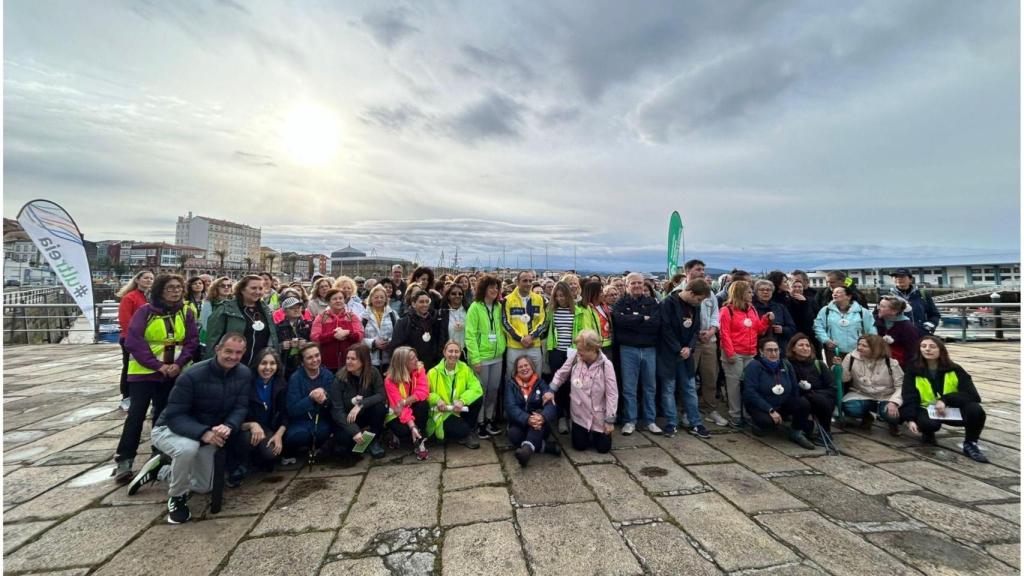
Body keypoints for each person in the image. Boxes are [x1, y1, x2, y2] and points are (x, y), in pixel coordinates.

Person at [127, 332, 250, 524]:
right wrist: (204, 433)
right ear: (217, 349)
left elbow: (240, 407)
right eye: (228, 351)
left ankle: (161, 470)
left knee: (203, 487)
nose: (233, 357)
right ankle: (177, 497)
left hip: (206, 432)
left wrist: (228, 425)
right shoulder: (192, 375)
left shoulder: (243, 373)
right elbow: (175, 415)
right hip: (170, 429)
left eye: (238, 353)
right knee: (187, 448)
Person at [114, 273, 199, 483]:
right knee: (136, 415)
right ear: (160, 290)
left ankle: (159, 454)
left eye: (179, 287)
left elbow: (191, 341)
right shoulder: (145, 312)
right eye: (170, 288)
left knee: (164, 416)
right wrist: (157, 365)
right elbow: (134, 342)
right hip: (144, 373)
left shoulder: (185, 312)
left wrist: (178, 365)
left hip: (173, 372)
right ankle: (125, 459)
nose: (176, 291)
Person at [901, 336, 989, 462]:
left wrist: (945, 400)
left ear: (941, 350)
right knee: (928, 424)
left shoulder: (955, 369)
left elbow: (973, 395)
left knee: (976, 410)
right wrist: (910, 419)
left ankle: (970, 443)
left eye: (932, 347)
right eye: (923, 346)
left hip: (951, 409)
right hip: (927, 408)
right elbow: (909, 395)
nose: (927, 350)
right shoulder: (913, 370)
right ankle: (928, 433)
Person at [657, 278, 712, 438]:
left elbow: (695, 329)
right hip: (668, 354)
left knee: (689, 388)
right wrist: (678, 348)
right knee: (668, 389)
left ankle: (696, 423)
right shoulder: (668, 303)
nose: (699, 302)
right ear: (690, 292)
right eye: (699, 298)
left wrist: (690, 347)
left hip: (687, 353)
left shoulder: (695, 306)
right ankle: (671, 422)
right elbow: (665, 329)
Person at [549, 330, 617, 453]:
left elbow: (612, 394)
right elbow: (561, 374)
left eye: (581, 349)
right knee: (579, 446)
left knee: (603, 449)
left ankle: (595, 432)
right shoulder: (575, 357)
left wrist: (609, 420)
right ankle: (582, 430)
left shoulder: (606, 365)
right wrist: (551, 390)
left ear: (592, 349)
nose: (578, 352)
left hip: (598, 415)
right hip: (579, 414)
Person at [230, 347, 288, 485]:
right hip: (244, 428)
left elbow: (285, 413)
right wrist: (251, 424)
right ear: (257, 365)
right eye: (264, 363)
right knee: (247, 438)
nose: (268, 367)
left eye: (272, 363)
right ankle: (240, 464)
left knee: (271, 452)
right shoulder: (246, 383)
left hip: (267, 427)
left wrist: (279, 434)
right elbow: (235, 414)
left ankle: (258, 460)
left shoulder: (280, 384)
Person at [742, 338, 815, 449]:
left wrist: (800, 410)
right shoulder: (754, 366)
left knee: (803, 403)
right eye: (769, 350)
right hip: (762, 406)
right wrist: (769, 409)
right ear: (761, 351)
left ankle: (795, 432)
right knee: (766, 422)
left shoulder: (785, 365)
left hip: (782, 403)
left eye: (776, 350)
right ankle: (757, 425)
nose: (773, 353)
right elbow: (750, 392)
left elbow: (794, 388)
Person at [719, 280, 773, 427]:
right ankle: (735, 414)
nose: (752, 294)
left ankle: (747, 412)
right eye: (749, 291)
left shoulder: (751, 309)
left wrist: (765, 320)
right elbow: (724, 333)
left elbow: (758, 329)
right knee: (734, 385)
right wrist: (730, 353)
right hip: (735, 353)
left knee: (749, 385)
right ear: (740, 293)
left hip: (750, 352)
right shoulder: (727, 310)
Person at [613, 272, 661, 435]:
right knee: (629, 388)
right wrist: (642, 318)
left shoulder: (652, 302)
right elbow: (620, 322)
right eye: (633, 283)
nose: (637, 286)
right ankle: (630, 420)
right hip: (628, 349)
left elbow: (655, 324)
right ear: (627, 286)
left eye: (640, 283)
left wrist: (633, 320)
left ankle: (650, 420)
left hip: (649, 349)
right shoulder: (620, 303)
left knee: (650, 387)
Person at [683, 260, 727, 427]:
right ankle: (687, 410)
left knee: (710, 376)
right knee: (688, 378)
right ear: (688, 272)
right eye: (698, 269)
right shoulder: (680, 291)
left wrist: (711, 331)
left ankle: (710, 409)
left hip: (709, 340)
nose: (702, 272)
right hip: (689, 342)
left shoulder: (710, 293)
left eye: (703, 269)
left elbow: (715, 314)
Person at [206, 274, 279, 369]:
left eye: (260, 288)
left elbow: (272, 338)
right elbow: (212, 340)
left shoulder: (266, 310)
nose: (257, 292)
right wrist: (212, 366)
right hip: (232, 365)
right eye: (253, 288)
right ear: (242, 290)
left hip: (260, 367)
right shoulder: (225, 309)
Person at [465, 275, 507, 439]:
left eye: (497, 287)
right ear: (483, 289)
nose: (494, 290)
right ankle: (480, 422)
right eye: (491, 287)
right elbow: (470, 335)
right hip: (481, 358)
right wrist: (474, 359)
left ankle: (489, 419)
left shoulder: (498, 307)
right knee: (480, 391)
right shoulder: (475, 307)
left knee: (493, 391)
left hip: (497, 356)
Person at [330, 344, 387, 459]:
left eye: (353, 359)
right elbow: (337, 410)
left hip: (366, 413)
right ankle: (357, 439)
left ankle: (373, 440)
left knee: (380, 408)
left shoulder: (373, 372)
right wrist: (354, 431)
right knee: (345, 443)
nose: (349, 362)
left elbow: (381, 395)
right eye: (347, 358)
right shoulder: (339, 379)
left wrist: (361, 405)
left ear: (363, 361)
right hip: (347, 418)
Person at [840, 335, 904, 435]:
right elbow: (844, 379)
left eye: (864, 346)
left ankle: (893, 424)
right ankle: (867, 416)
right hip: (862, 393)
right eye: (859, 344)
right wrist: (841, 367)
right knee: (851, 408)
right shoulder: (851, 357)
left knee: (892, 415)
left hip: (886, 396)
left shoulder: (890, 362)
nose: (859, 348)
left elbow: (900, 385)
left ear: (875, 348)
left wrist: (894, 402)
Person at [544, 281, 585, 435]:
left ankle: (573, 415)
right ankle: (561, 417)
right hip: (556, 351)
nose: (560, 299)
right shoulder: (552, 312)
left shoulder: (578, 312)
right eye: (557, 296)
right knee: (558, 385)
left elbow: (581, 332)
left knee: (573, 385)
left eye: (563, 295)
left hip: (573, 353)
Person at [427, 341, 483, 448]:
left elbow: (477, 388)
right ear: (444, 352)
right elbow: (425, 393)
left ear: (460, 354)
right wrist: (437, 400)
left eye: (456, 351)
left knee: (478, 399)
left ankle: (467, 431)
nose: (453, 354)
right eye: (450, 351)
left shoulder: (464, 368)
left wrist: (463, 400)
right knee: (462, 430)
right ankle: (461, 432)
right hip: (442, 412)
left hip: (458, 409)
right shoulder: (433, 372)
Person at [284, 343, 336, 457]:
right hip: (300, 421)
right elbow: (292, 409)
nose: (315, 360)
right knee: (297, 436)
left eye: (317, 355)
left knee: (323, 432)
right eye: (309, 357)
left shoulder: (327, 375)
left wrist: (325, 398)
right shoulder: (295, 378)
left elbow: (333, 402)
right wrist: (310, 398)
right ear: (302, 362)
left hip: (321, 419)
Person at [507, 356, 559, 466]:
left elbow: (551, 405)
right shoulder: (511, 384)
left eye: (526, 365)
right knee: (513, 434)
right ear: (516, 370)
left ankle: (526, 452)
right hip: (521, 423)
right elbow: (511, 407)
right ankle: (545, 447)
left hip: (540, 425)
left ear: (532, 367)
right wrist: (527, 419)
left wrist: (543, 417)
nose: (524, 368)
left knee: (538, 417)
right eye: (520, 367)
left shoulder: (541, 383)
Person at [115, 270, 154, 412]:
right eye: (145, 278)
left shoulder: (150, 297)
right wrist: (136, 336)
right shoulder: (130, 297)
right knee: (128, 367)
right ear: (137, 280)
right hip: (130, 338)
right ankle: (126, 396)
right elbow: (125, 320)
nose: (149, 280)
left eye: (151, 278)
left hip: (147, 339)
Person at [384, 346, 430, 460]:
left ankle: (420, 439)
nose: (416, 361)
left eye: (416, 357)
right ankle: (402, 434)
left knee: (423, 405)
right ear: (402, 363)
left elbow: (424, 392)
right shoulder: (390, 380)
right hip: (396, 413)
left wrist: (405, 401)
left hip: (407, 405)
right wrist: (412, 426)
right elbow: (399, 408)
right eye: (412, 359)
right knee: (403, 431)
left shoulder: (419, 369)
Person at [786, 333, 836, 437]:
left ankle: (825, 431)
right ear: (793, 348)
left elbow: (832, 387)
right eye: (801, 345)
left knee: (822, 400)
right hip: (800, 401)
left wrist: (813, 393)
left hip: (820, 399)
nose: (805, 348)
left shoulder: (819, 364)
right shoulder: (788, 365)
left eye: (807, 345)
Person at [814, 285, 877, 365]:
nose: (834, 294)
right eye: (833, 292)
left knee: (856, 375)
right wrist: (826, 340)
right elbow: (818, 326)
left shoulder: (862, 312)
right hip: (834, 351)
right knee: (837, 374)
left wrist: (868, 345)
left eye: (838, 292)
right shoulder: (826, 310)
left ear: (849, 296)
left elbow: (871, 329)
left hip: (857, 350)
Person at [311, 288, 365, 372]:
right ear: (329, 302)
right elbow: (315, 337)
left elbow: (360, 335)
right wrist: (333, 335)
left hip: (349, 362)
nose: (338, 301)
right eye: (334, 299)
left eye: (340, 298)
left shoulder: (351, 316)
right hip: (327, 362)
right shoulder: (321, 317)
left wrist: (347, 333)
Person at [391, 289, 443, 368]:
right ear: (413, 304)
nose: (425, 304)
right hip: (411, 367)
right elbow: (397, 347)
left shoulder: (435, 320)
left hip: (433, 366)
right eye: (421, 302)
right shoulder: (403, 322)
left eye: (427, 301)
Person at [888, 269, 941, 335]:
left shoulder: (922, 294)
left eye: (902, 277)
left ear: (910, 279)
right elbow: (878, 316)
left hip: (920, 335)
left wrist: (927, 328)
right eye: (895, 277)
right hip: (896, 337)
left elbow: (934, 314)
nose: (898, 279)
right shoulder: (887, 296)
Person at [362, 284, 399, 374]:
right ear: (371, 299)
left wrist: (389, 342)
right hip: (370, 359)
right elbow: (358, 338)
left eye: (382, 297)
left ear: (386, 299)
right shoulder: (363, 316)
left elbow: (398, 334)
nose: (379, 299)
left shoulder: (393, 314)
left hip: (389, 359)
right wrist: (373, 343)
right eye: (376, 297)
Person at [874, 295, 920, 367]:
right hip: (878, 364)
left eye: (883, 306)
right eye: (879, 305)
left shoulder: (908, 327)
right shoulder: (876, 320)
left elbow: (911, 352)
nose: (878, 308)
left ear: (894, 311)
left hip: (898, 366)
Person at [753, 279, 796, 353]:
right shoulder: (752, 308)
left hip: (780, 348)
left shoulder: (780, 307)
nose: (765, 292)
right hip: (758, 348)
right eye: (762, 290)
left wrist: (783, 329)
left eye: (768, 290)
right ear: (756, 292)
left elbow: (792, 328)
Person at [275, 296, 312, 378]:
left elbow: (314, 343)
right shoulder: (278, 327)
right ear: (284, 311)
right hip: (285, 363)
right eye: (292, 308)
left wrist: (306, 344)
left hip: (304, 361)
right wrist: (281, 346)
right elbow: (272, 346)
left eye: (299, 307)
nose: (296, 310)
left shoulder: (308, 325)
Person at [786, 277, 820, 355]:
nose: (797, 289)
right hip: (794, 334)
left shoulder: (811, 300)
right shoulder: (787, 301)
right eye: (794, 287)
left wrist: (805, 302)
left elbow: (815, 316)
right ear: (790, 288)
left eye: (800, 287)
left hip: (810, 334)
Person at [199, 276, 232, 355]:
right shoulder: (209, 302)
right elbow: (205, 324)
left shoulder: (234, 303)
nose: (226, 287)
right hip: (210, 339)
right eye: (223, 286)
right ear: (216, 288)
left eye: (229, 286)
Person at [439, 283, 469, 352]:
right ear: (448, 296)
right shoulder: (441, 313)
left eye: (460, 294)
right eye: (453, 293)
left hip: (466, 351)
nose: (457, 296)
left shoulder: (468, 311)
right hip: (450, 353)